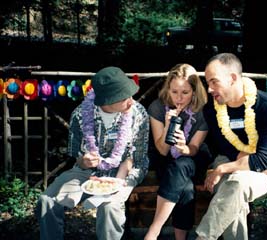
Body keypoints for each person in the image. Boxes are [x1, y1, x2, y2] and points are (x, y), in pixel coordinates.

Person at [35, 66, 149, 240]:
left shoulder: (138, 113)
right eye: (125, 97)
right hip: (86, 172)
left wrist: (117, 183)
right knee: (47, 201)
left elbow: (135, 157)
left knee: (110, 208)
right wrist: (84, 161)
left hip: (124, 170)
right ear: (108, 100)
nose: (131, 101)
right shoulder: (80, 115)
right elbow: (76, 156)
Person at [195, 53, 267, 240]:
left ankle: (203, 237)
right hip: (256, 166)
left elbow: (264, 158)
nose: (209, 89)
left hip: (255, 168)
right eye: (207, 82)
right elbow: (230, 151)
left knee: (237, 184)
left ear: (233, 78)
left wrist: (222, 169)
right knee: (234, 196)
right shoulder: (211, 110)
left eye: (214, 82)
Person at [144, 63, 211, 240]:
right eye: (174, 92)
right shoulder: (157, 107)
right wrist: (167, 126)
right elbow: (162, 150)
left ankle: (153, 231)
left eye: (185, 92)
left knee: (182, 164)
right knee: (186, 189)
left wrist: (185, 148)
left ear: (195, 92)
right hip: (165, 160)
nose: (179, 98)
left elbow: (195, 148)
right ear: (168, 89)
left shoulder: (203, 112)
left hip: (193, 160)